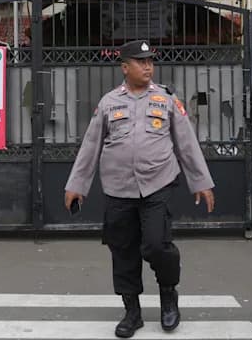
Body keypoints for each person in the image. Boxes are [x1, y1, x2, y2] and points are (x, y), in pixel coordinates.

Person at [64, 39, 216, 338]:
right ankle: (132, 312)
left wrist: (201, 182)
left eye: (150, 61)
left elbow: (186, 143)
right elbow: (91, 147)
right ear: (125, 67)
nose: (147, 67)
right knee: (123, 250)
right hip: (118, 189)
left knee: (157, 245)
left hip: (157, 184)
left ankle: (168, 295)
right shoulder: (109, 103)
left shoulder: (166, 99)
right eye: (140, 62)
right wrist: (77, 185)